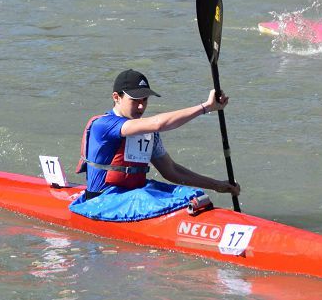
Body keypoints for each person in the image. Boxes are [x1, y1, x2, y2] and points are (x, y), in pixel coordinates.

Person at [75, 69, 240, 202]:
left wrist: (216, 185)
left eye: (145, 100)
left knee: (193, 195)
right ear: (116, 98)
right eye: (135, 100)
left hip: (135, 197)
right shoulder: (104, 125)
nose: (141, 107)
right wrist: (206, 107)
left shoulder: (148, 133)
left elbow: (171, 170)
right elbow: (158, 124)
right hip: (103, 201)